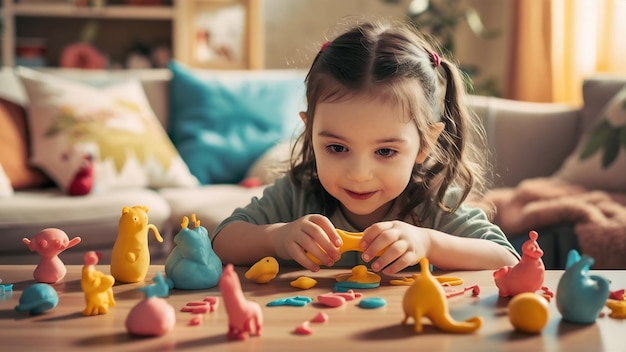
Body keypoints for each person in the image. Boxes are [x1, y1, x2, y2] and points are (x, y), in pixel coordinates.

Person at [212, 20, 520, 275]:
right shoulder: (298, 193)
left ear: (424, 144)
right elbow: (220, 241)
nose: (359, 174)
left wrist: (427, 243)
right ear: (310, 133)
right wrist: (277, 238)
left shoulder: (434, 202)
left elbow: (508, 259)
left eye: (385, 151)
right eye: (337, 147)